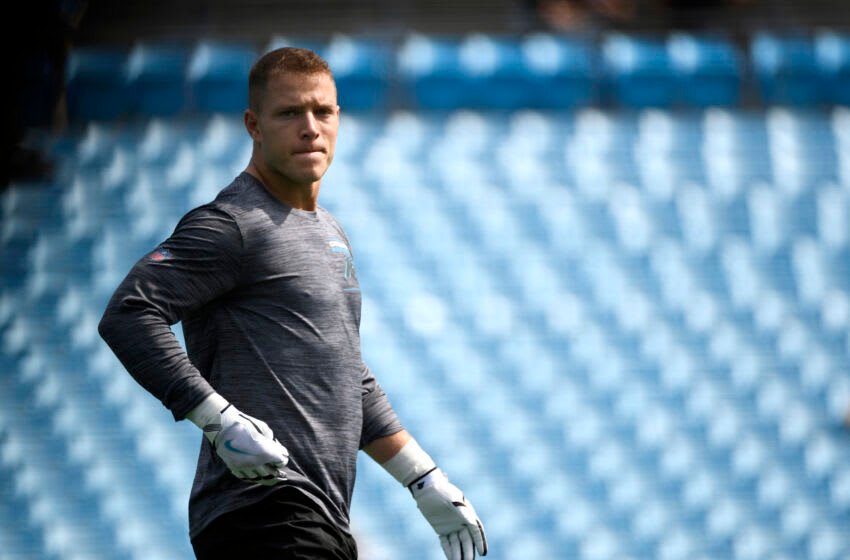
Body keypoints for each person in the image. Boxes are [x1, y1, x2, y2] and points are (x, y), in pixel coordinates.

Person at [98, 47, 487, 560]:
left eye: (322, 111)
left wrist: (422, 477)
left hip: (319, 517)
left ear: (338, 118)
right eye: (289, 113)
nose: (310, 127)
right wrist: (218, 420)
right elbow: (129, 312)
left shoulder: (331, 233)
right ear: (253, 125)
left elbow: (348, 374)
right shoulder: (230, 224)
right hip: (263, 509)